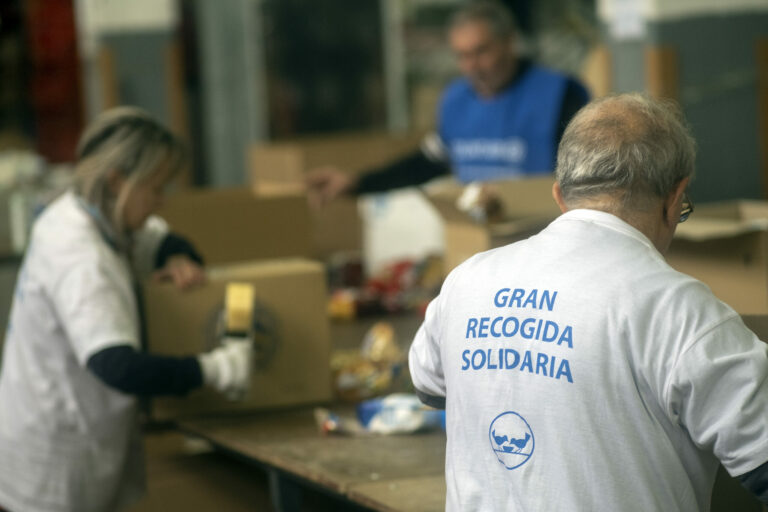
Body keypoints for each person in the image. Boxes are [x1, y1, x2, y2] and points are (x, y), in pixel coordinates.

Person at [408, 93, 768, 510]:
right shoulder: (679, 310)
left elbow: (429, 383)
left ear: (560, 196)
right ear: (674, 199)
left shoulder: (467, 281)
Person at [0, 107, 252, 512]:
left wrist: (178, 257)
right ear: (117, 181)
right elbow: (116, 365)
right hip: (54, 463)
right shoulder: (78, 254)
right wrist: (214, 369)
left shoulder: (93, 215)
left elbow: (162, 239)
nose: (161, 201)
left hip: (76, 441)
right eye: (155, 188)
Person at [305, 0, 590, 206]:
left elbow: (589, 178)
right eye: (462, 55)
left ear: (509, 42)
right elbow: (429, 162)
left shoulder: (560, 95)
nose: (472, 66)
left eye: (481, 51)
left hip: (541, 237)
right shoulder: (456, 100)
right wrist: (357, 183)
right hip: (478, 241)